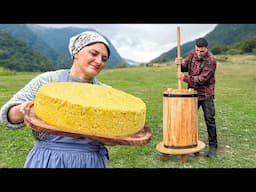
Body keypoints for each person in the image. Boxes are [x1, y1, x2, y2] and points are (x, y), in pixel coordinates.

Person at [0, 30, 112, 168]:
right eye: (94, 53)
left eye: (104, 58)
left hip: (91, 162)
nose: (99, 61)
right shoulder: (48, 80)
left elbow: (111, 131)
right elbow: (8, 115)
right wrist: (22, 110)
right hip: (49, 160)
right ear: (76, 52)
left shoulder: (106, 93)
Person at [175, 37, 218, 158]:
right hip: (192, 93)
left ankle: (213, 146)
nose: (198, 53)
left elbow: (201, 80)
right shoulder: (191, 54)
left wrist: (185, 78)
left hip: (206, 94)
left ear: (207, 49)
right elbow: (184, 67)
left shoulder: (211, 60)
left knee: (209, 119)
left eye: (202, 51)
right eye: (197, 50)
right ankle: (189, 141)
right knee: (189, 119)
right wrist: (179, 63)